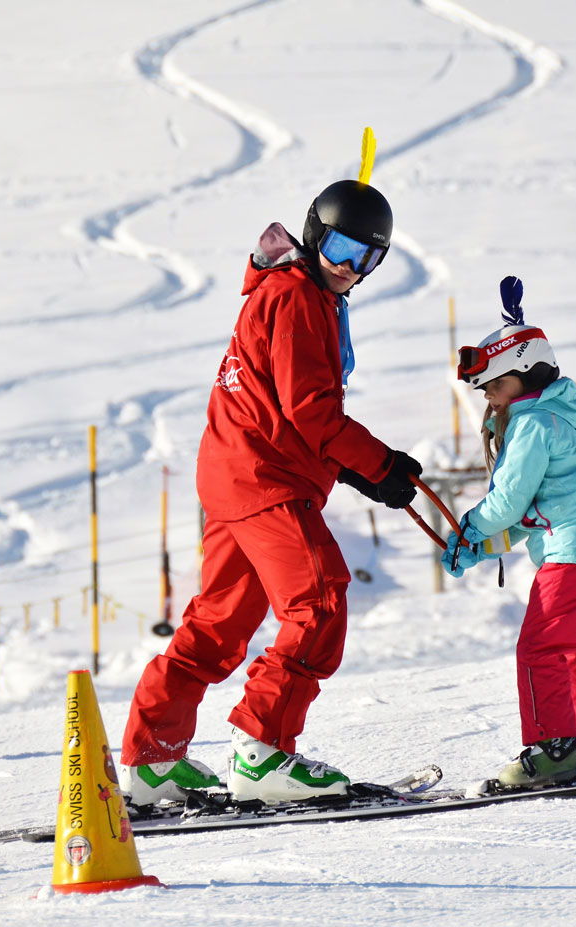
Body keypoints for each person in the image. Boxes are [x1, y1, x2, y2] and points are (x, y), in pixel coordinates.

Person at [119, 179, 423, 805]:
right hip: (265, 478)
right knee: (319, 600)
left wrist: (362, 470)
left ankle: (150, 763)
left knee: (219, 623)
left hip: (238, 472)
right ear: (314, 234)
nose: (347, 267)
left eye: (366, 258)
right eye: (339, 247)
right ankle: (263, 752)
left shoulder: (293, 292)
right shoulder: (295, 297)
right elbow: (310, 409)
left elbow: (293, 408)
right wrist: (379, 462)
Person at [441, 275, 576, 788]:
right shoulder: (558, 419)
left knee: (540, 650)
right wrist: (481, 546)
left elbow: (508, 501)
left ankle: (555, 748)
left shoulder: (530, 426)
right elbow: (534, 514)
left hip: (571, 556)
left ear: (526, 374)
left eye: (496, 386)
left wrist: (470, 526)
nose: (492, 400)